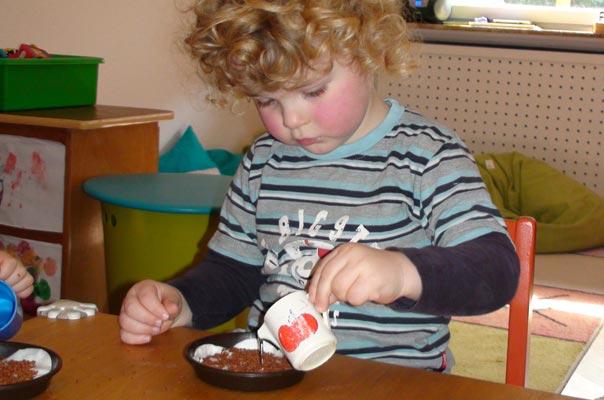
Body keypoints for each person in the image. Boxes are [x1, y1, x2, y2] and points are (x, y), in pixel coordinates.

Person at [119, 0, 520, 372]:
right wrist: (180, 303)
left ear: (369, 50)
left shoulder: (427, 157)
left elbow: (497, 269)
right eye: (266, 100)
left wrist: (402, 272)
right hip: (279, 377)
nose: (292, 119)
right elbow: (232, 273)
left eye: (312, 91)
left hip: (398, 383)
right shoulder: (263, 161)